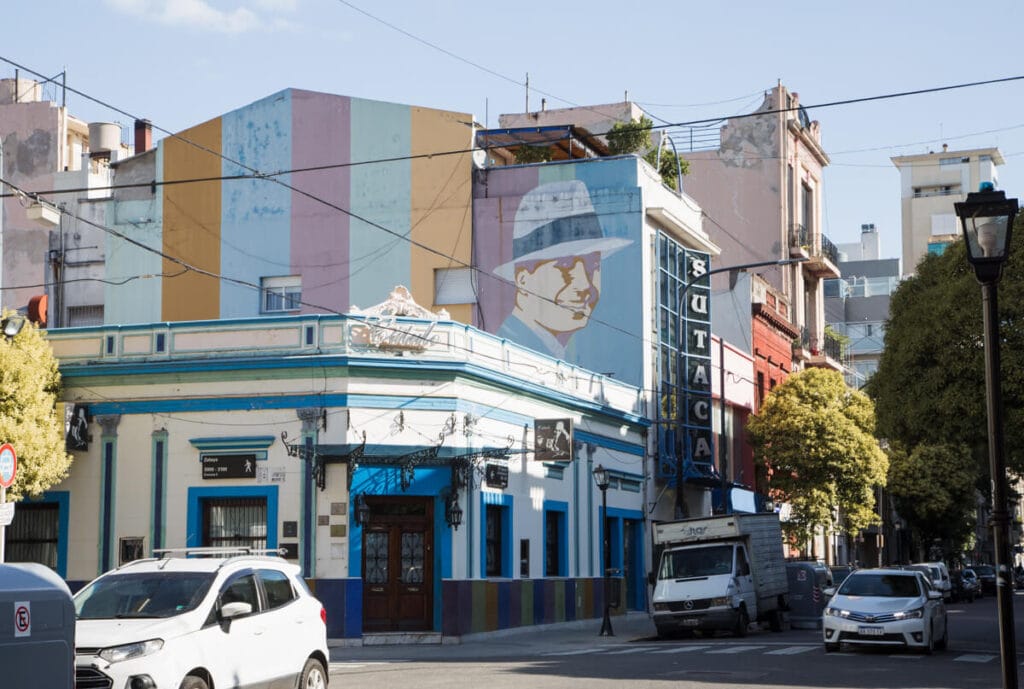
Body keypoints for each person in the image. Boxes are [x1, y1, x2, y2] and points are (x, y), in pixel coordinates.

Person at [495, 180, 630, 359]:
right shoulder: (513, 352)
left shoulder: (546, 351)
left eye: (593, 266)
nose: (584, 286)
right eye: (565, 266)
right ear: (523, 279)